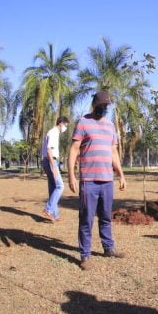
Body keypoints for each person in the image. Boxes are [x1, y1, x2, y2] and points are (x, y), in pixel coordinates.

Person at [67, 90, 127, 270]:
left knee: (106, 216)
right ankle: (85, 255)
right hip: (89, 180)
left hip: (107, 180)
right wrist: (71, 175)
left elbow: (113, 152)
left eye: (106, 106)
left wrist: (121, 174)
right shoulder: (83, 123)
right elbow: (74, 150)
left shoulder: (110, 125)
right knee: (86, 218)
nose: (103, 109)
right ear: (94, 105)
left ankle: (108, 248)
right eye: (101, 106)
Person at [41, 116, 69, 221]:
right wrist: (54, 166)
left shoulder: (53, 133)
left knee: (53, 188)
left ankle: (55, 215)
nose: (65, 128)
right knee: (60, 186)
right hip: (50, 160)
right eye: (65, 125)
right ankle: (48, 209)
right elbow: (49, 150)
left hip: (47, 161)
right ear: (61, 123)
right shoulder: (53, 133)